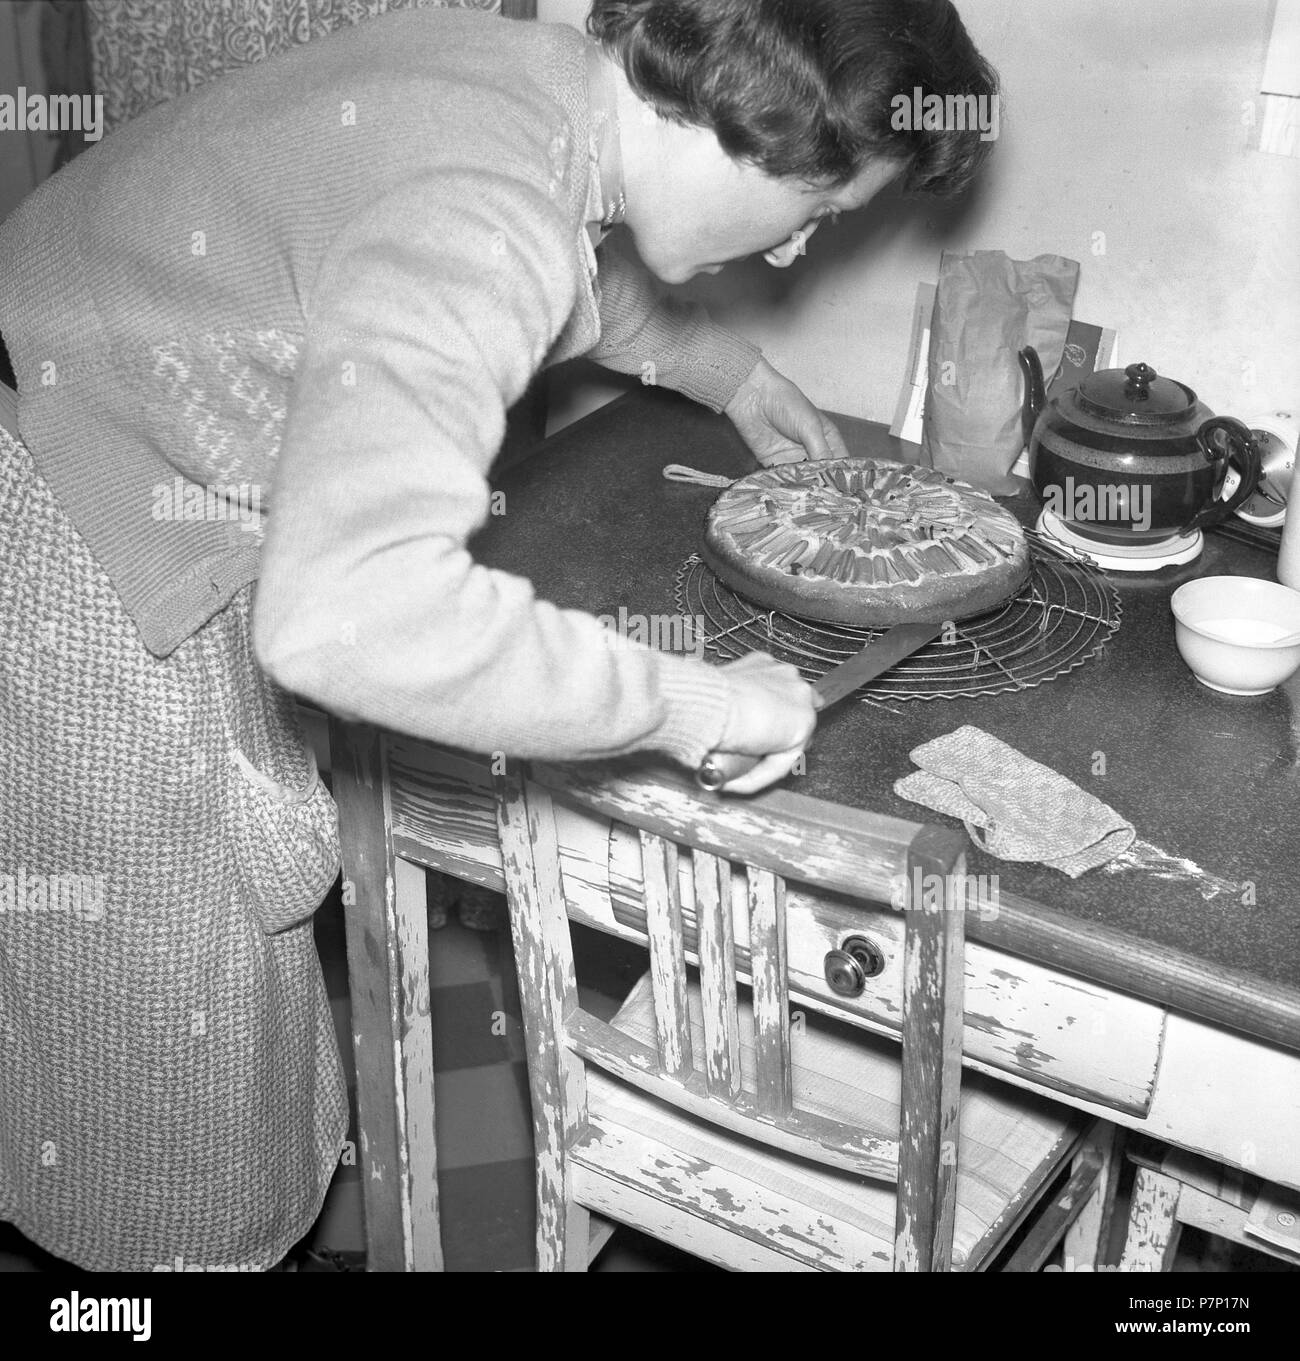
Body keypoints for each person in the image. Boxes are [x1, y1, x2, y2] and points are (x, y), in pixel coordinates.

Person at [0, 0, 997, 1270]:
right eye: (819, 209)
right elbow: (351, 612)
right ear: (756, 120)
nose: (801, 252)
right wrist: (699, 703)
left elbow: (580, 266)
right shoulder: (493, 207)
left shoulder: (537, 83)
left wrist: (736, 378)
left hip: (75, 417)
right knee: (163, 1077)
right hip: (54, 525)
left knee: (125, 1000)